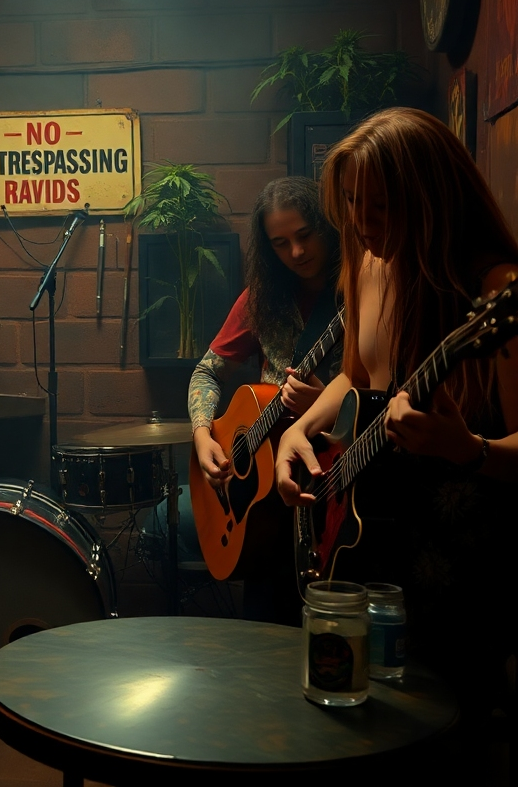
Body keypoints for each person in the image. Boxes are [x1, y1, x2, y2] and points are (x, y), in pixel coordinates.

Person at [274, 107, 518, 724]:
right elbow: (357, 376)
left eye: (381, 206)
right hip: (371, 539)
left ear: (433, 199)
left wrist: (470, 450)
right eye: (352, 203)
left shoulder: (495, 286)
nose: (361, 222)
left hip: (458, 568)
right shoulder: (367, 260)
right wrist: (296, 433)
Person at [188, 176, 341, 623]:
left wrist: (323, 403)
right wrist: (202, 436)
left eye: (304, 235)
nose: (296, 252)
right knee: (263, 626)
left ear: (326, 225)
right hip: (261, 500)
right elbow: (205, 372)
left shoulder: (358, 292)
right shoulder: (260, 300)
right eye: (280, 243)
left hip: (328, 479)